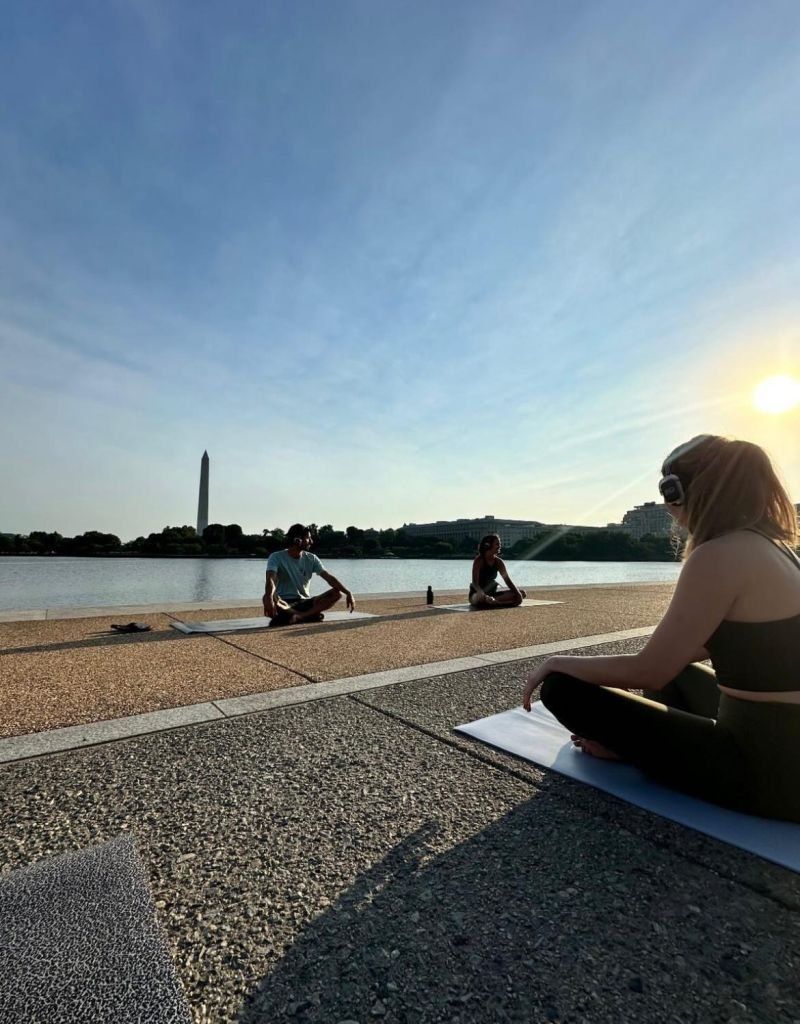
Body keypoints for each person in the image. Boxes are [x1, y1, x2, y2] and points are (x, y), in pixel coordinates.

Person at [522, 434, 800, 822]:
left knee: (562, 689)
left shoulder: (718, 554)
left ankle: (637, 752)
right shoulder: (775, 547)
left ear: (694, 491)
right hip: (786, 749)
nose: (669, 508)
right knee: (679, 676)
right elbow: (739, 646)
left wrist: (556, 662)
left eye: (669, 490)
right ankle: (644, 750)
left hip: (767, 774)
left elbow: (650, 669)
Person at [263, 524, 355, 626]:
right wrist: (268, 597)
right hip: (284, 602)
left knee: (337, 594)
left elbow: (329, 578)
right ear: (297, 540)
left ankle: (300, 616)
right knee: (269, 596)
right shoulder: (276, 557)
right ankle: (307, 615)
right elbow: (271, 579)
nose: (311, 541)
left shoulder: (312, 558)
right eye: (308, 538)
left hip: (305, 602)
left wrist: (348, 593)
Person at [469, 534, 526, 608]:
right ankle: (494, 602)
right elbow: (475, 583)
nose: (499, 546)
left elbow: (507, 580)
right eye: (497, 544)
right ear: (489, 545)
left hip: (492, 593)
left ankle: (493, 601)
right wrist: (481, 593)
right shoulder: (479, 560)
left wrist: (518, 594)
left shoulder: (499, 562)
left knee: (522, 593)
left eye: (500, 544)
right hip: (477, 593)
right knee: (481, 598)